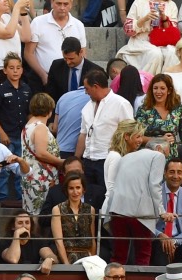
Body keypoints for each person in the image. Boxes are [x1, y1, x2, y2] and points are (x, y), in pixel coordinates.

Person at [105, 139, 171, 265]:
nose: (166, 158)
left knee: (118, 256)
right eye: (166, 154)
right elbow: (154, 185)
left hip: (117, 209)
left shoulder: (127, 156)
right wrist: (162, 211)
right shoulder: (158, 156)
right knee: (143, 256)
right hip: (140, 214)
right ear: (158, 148)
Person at [76, 69, 134, 211]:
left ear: (96, 86)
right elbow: (83, 134)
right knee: (87, 201)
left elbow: (130, 133)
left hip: (108, 161)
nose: (85, 92)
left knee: (107, 200)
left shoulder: (121, 104)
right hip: (88, 160)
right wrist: (76, 159)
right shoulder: (87, 107)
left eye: (87, 89)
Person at [136, 74, 182, 168]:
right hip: (149, 157)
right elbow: (137, 137)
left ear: (169, 90)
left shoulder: (178, 109)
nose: (158, 92)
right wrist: (160, 139)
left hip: (171, 161)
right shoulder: (144, 110)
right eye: (155, 88)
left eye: (162, 88)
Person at [0, 52, 30, 202]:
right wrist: (1, 133)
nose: (15, 71)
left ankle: (21, 199)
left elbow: (28, 113)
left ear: (22, 70)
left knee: (21, 167)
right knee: (3, 169)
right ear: (5, 70)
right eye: (11, 68)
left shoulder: (26, 88)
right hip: (5, 137)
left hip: (21, 136)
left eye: (18, 68)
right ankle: (2, 198)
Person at [25, 0, 87, 93]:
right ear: (52, 2)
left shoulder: (78, 25)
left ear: (71, 4)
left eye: (65, 4)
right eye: (58, 3)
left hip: (70, 80)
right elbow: (28, 53)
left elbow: (82, 54)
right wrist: (43, 75)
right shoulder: (38, 22)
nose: (62, 7)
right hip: (42, 80)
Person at [21, 92, 64, 215]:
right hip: (42, 178)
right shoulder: (40, 127)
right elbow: (41, 153)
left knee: (32, 212)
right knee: (41, 213)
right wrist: (61, 162)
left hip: (31, 176)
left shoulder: (28, 126)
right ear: (49, 110)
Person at [152, 159, 182, 266]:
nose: (175, 176)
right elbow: (146, 224)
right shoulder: (154, 194)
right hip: (158, 241)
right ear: (164, 173)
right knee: (159, 245)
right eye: (171, 172)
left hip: (178, 243)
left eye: (179, 172)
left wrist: (173, 242)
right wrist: (160, 235)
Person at [117, 0, 181, 75]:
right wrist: (145, 19)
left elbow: (173, 32)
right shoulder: (139, 2)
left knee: (173, 53)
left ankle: (166, 82)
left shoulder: (171, 4)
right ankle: (148, 82)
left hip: (163, 41)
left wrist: (164, 19)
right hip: (141, 40)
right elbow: (127, 30)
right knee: (155, 53)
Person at [51, 171, 96, 263]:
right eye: (71, 188)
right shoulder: (57, 209)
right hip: (65, 257)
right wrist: (66, 265)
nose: (75, 192)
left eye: (78, 187)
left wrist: (93, 261)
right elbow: (58, 242)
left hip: (87, 258)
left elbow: (92, 240)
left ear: (83, 189)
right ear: (66, 190)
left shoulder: (90, 209)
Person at [45, 37, 99, 105]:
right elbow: (50, 94)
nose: (68, 62)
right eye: (65, 58)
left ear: (81, 52)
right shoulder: (56, 66)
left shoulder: (95, 70)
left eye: (71, 58)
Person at [104, 119, 145, 206]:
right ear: (126, 136)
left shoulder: (126, 157)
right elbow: (111, 188)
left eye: (141, 136)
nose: (141, 140)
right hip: (114, 209)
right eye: (138, 137)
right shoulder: (116, 157)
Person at [39, 155, 84, 233]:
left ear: (83, 171)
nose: (74, 175)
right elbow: (43, 219)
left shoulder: (96, 191)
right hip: (62, 237)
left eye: (77, 171)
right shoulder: (55, 192)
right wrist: (62, 215)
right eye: (71, 172)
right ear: (64, 174)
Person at [53, 84, 88, 158]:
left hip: (59, 148)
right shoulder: (93, 98)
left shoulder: (64, 96)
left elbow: (55, 128)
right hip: (77, 151)